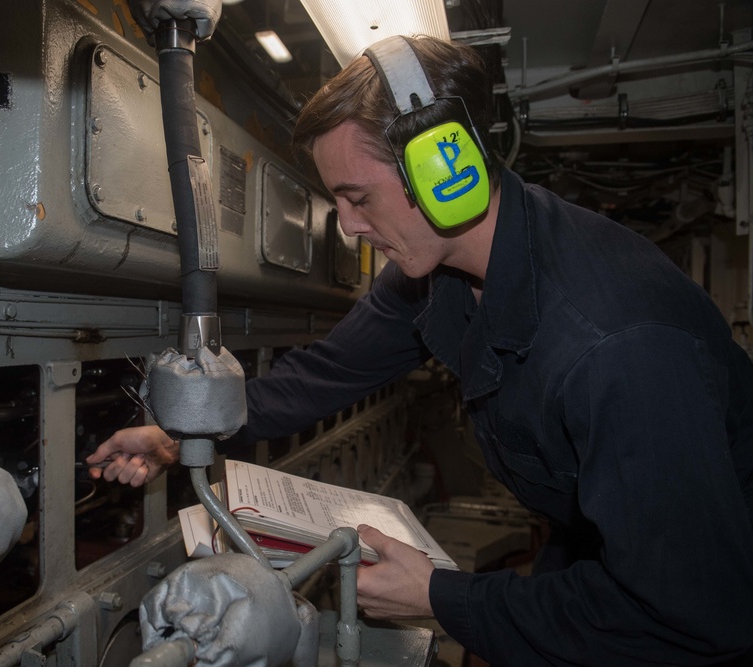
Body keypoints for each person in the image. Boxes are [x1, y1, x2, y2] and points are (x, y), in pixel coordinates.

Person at [86, 34, 753, 665]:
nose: (348, 226)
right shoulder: (436, 276)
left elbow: (688, 613)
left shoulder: (617, 346)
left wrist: (437, 596)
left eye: (358, 197)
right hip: (599, 546)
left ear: (446, 167)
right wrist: (177, 433)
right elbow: (325, 373)